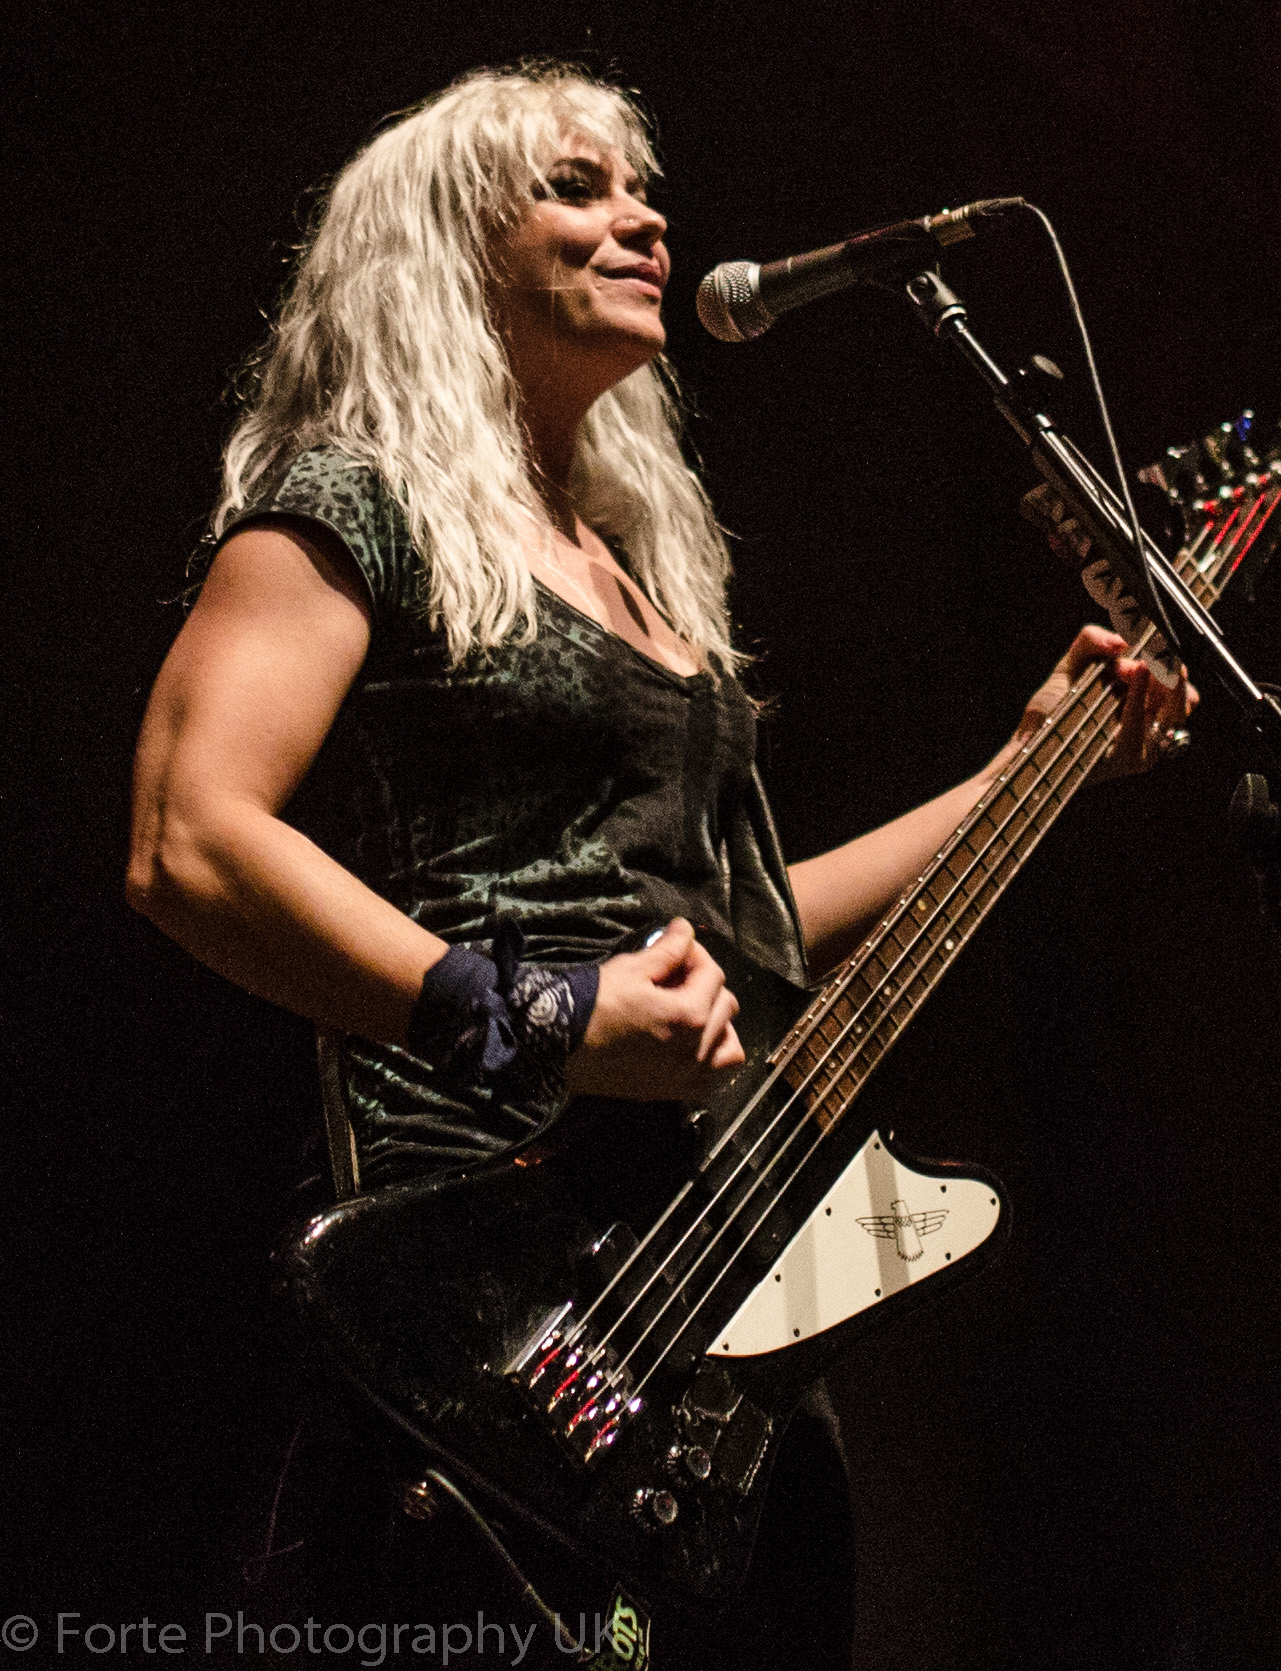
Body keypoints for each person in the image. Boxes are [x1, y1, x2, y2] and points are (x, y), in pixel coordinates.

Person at [125, 62, 1188, 1667]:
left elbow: (755, 936)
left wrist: (1024, 775)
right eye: (577, 189)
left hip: (695, 1308)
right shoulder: (349, 507)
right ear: (449, 248)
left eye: (642, 188)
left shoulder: (637, 577)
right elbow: (191, 838)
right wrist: (549, 1019)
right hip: (484, 1297)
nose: (644, 221)